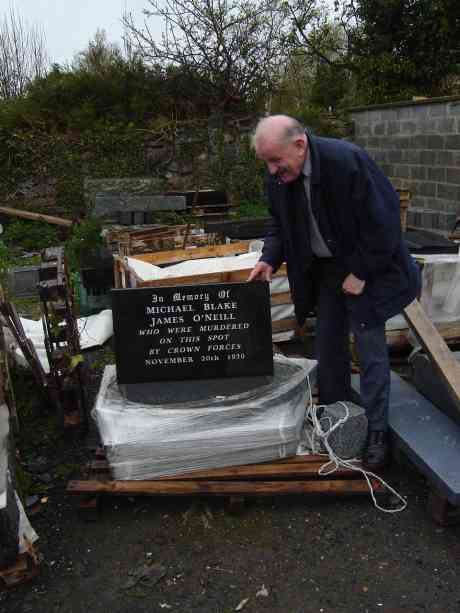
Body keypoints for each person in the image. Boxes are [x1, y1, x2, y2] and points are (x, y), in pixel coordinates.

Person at [248, 114, 420, 470]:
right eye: (266, 162)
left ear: (300, 144)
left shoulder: (347, 161)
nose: (271, 170)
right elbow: (278, 222)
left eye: (276, 160)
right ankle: (337, 418)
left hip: (369, 267)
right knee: (328, 347)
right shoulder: (281, 176)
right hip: (326, 271)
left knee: (370, 347)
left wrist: (361, 272)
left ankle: (376, 433)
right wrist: (269, 258)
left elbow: (385, 221)